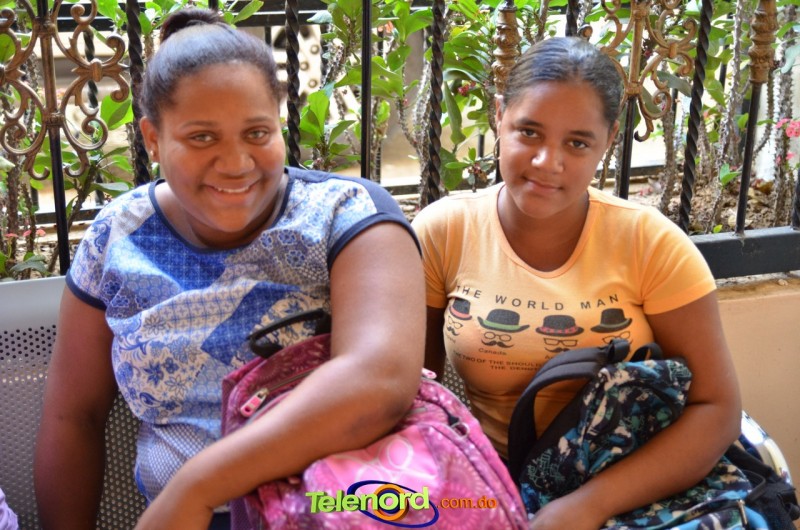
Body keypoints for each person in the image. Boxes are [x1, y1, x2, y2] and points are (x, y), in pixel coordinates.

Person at [33, 8, 425, 530]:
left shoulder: (346, 216)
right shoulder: (117, 237)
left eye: (257, 132)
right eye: (202, 137)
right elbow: (73, 416)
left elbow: (379, 380)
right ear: (152, 139)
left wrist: (199, 487)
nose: (237, 163)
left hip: (333, 514)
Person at [412, 37, 741, 530]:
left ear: (609, 140)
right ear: (499, 116)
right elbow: (415, 393)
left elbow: (716, 408)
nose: (548, 162)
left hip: (634, 491)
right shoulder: (443, 232)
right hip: (491, 491)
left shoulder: (651, 244)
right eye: (529, 132)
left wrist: (588, 507)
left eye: (577, 142)